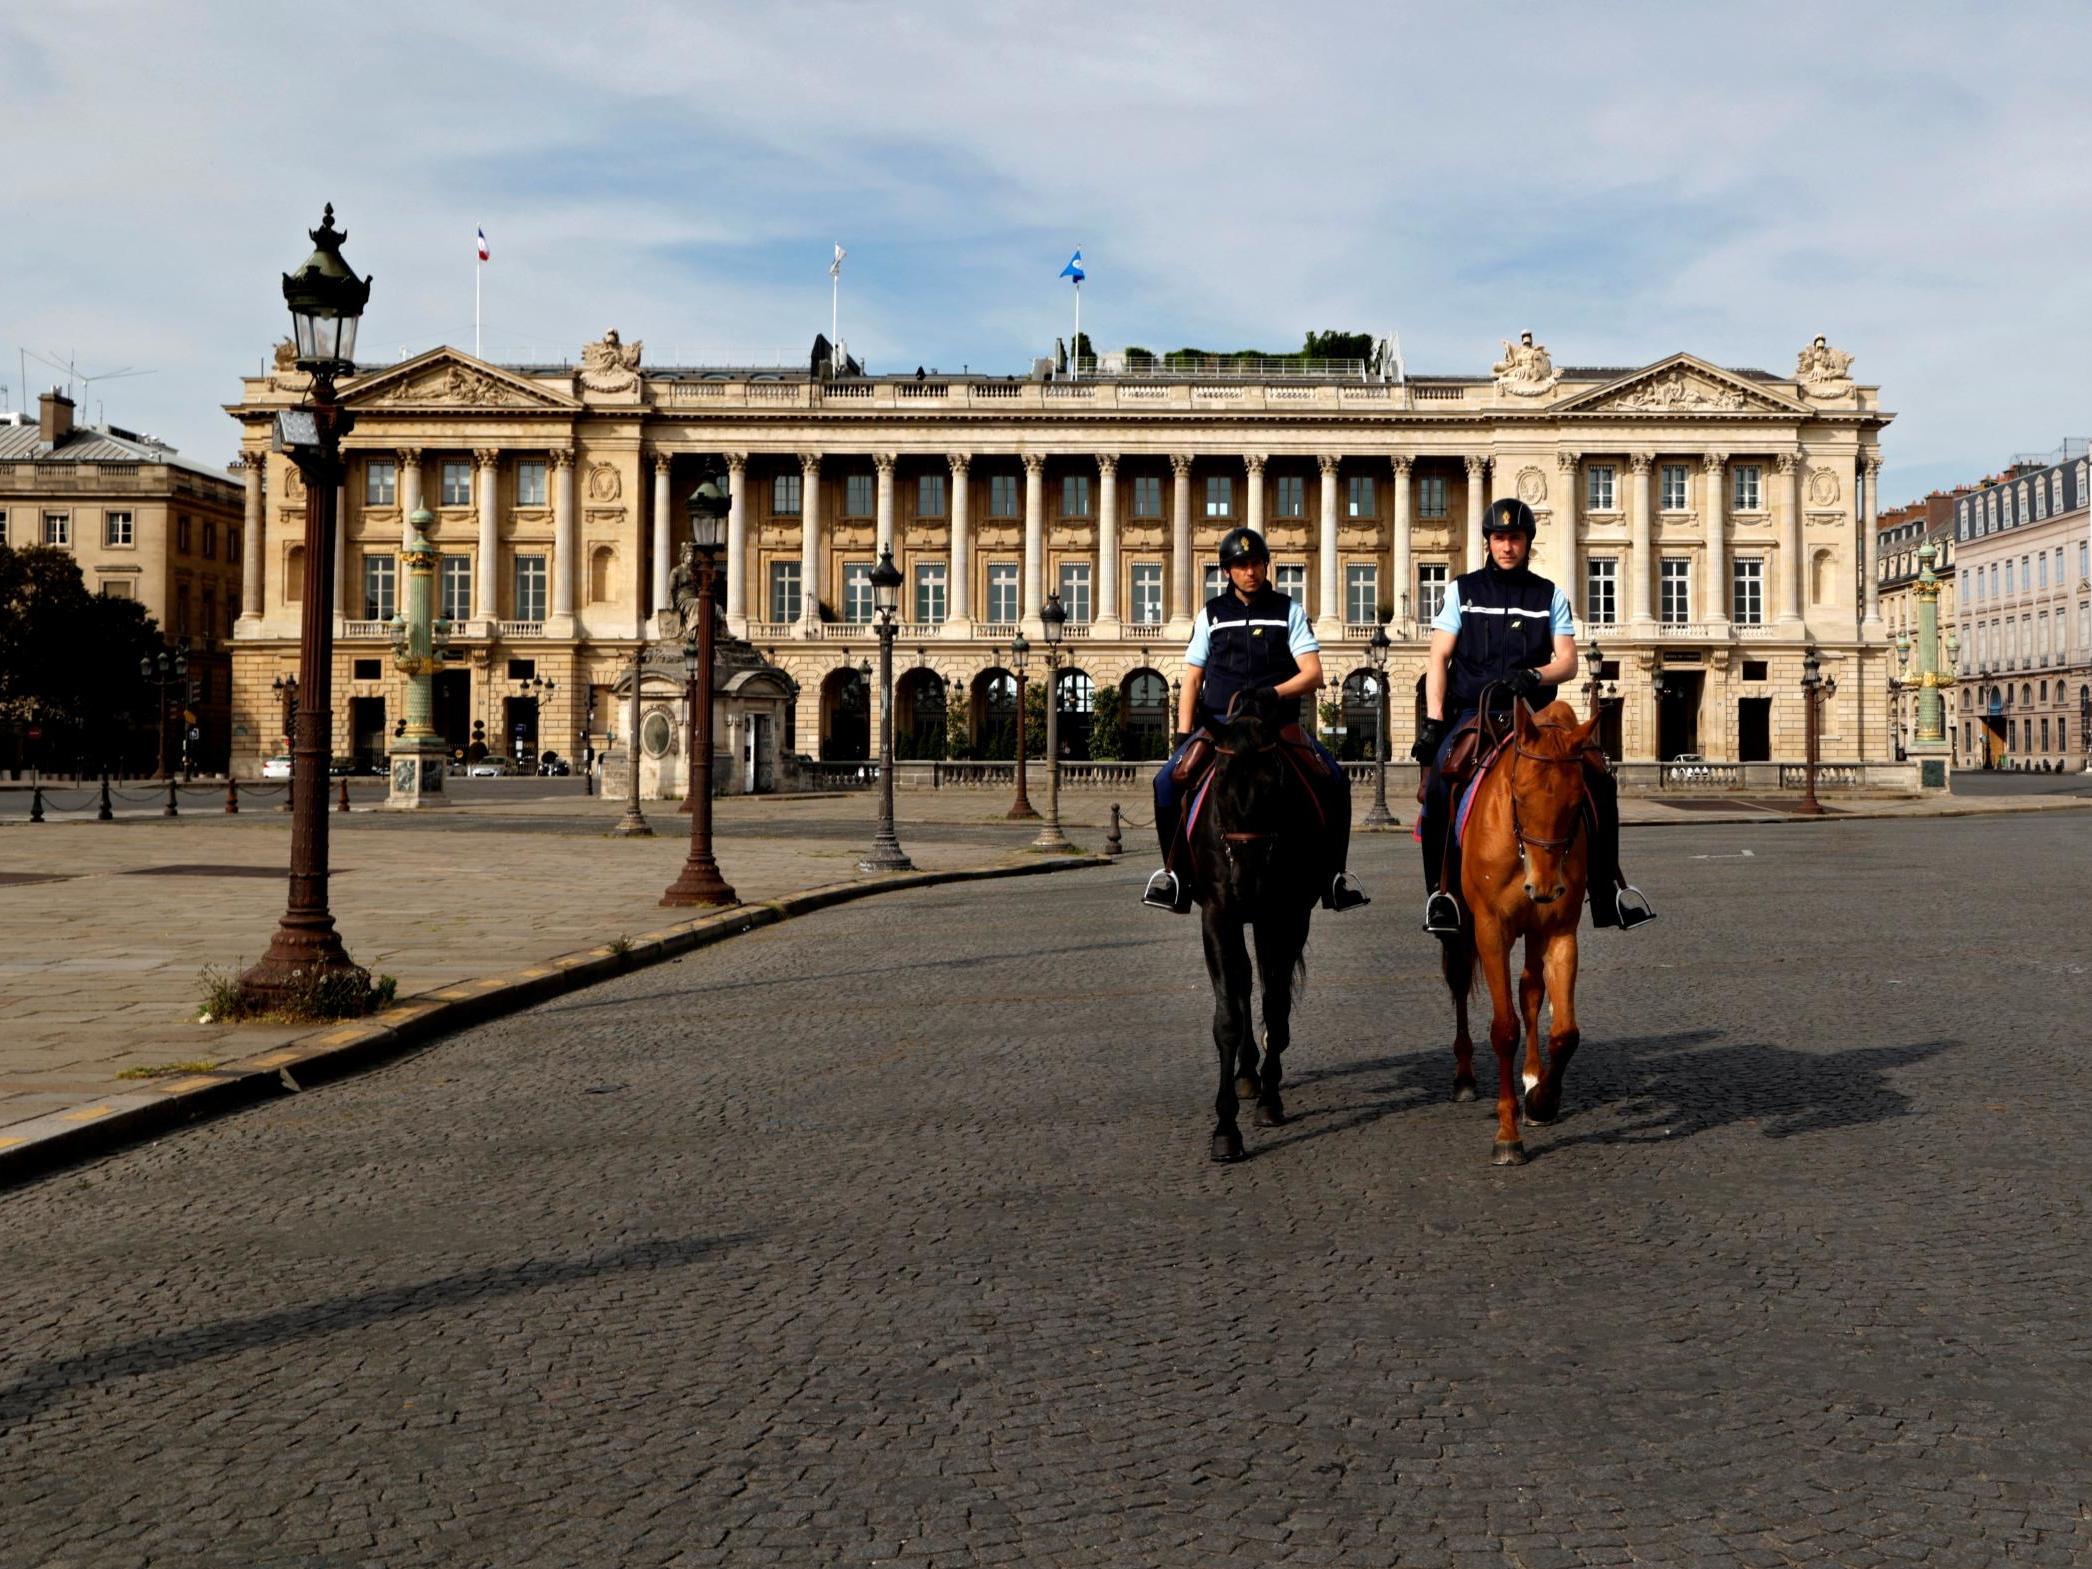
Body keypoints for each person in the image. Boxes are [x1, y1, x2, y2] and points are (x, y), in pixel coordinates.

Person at [1411, 497, 1654, 935]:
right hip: (1475, 713)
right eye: (1499, 538)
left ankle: (1606, 892)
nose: (1507, 546)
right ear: (1488, 542)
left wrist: (1534, 675)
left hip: (1535, 718)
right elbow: (1439, 656)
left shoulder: (1549, 595)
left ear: (1527, 543)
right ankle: (1440, 894)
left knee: (1599, 778)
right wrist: (1434, 722)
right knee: (1437, 790)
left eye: (1515, 538)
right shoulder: (1462, 591)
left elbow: (1568, 661)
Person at [1142, 527, 1369, 914]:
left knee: (1335, 779)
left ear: (1266, 566)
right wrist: (1183, 737)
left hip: (1275, 725)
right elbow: (1192, 679)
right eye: (1242, 565)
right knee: (1165, 782)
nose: (1251, 571)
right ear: (1226, 571)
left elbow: (1313, 674)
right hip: (1221, 727)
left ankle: (1335, 876)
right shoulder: (1211, 615)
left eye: (1257, 563)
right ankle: (1174, 875)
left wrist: (1274, 693)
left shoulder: (1288, 611)